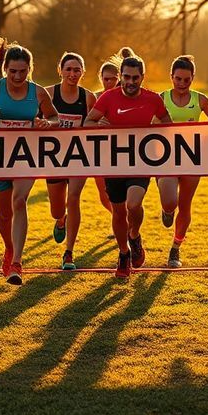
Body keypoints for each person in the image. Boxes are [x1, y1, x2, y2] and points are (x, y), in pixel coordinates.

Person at [0, 36, 59, 285]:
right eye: (13, 71)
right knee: (5, 212)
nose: (17, 77)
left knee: (19, 201)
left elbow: (55, 118)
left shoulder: (38, 92)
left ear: (30, 69)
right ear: (5, 69)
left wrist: (45, 123)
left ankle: (17, 262)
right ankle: (9, 248)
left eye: (23, 71)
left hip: (26, 155)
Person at [85, 52, 172, 279]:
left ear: (142, 77)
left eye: (135, 78)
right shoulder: (108, 98)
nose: (130, 82)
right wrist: (101, 126)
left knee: (133, 204)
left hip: (140, 161)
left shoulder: (153, 99)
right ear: (120, 76)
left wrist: (156, 130)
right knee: (118, 210)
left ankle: (134, 235)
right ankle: (124, 254)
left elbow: (167, 122)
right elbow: (88, 121)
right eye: (126, 77)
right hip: (113, 162)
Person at [158, 55, 208, 267]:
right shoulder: (161, 98)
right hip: (165, 159)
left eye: (187, 80)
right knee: (170, 202)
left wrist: (206, 142)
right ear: (171, 77)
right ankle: (167, 210)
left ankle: (175, 249)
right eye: (178, 79)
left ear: (193, 78)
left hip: (192, 159)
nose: (182, 84)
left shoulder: (200, 99)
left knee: (185, 205)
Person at [44, 52, 96, 270]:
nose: (72, 74)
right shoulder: (47, 94)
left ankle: (69, 252)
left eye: (77, 70)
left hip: (78, 156)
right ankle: (60, 219)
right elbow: (36, 121)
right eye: (68, 69)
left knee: (73, 197)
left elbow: (94, 123)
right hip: (53, 158)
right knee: (57, 208)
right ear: (60, 70)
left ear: (82, 72)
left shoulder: (89, 98)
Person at [93, 58, 121, 216]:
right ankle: (117, 219)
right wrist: (96, 122)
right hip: (98, 150)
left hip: (120, 150)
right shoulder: (93, 97)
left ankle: (122, 224)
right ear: (100, 77)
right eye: (106, 79)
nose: (109, 82)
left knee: (120, 193)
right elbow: (85, 121)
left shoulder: (125, 97)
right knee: (104, 196)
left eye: (113, 79)